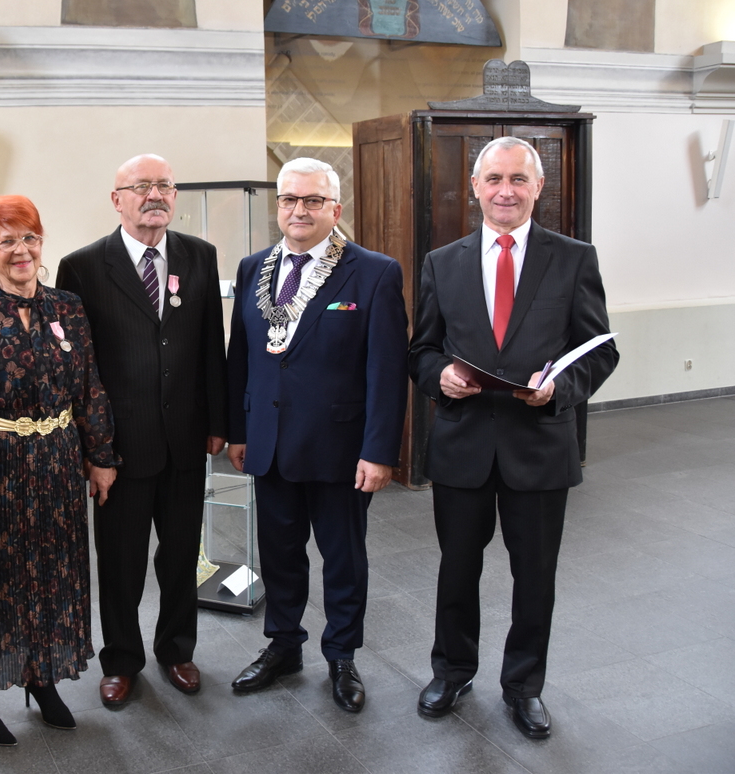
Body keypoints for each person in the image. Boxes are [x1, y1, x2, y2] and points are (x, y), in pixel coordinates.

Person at [409, 137, 619, 739]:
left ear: (538, 187)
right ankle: (452, 670)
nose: (506, 190)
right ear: (475, 187)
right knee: (456, 570)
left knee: (535, 577)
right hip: (462, 446)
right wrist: (440, 375)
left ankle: (524, 686)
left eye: (518, 180)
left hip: (539, 446)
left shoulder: (574, 258)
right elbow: (421, 349)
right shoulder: (441, 262)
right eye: (494, 178)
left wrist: (560, 388)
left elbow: (600, 350)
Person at [226, 157, 408, 712]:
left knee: (343, 559)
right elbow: (243, 357)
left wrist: (379, 451)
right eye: (289, 200)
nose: (298, 210)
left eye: (312, 201)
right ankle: (283, 646)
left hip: (340, 450)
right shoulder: (253, 267)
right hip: (271, 444)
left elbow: (386, 368)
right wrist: (239, 430)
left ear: (336, 209)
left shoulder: (374, 272)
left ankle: (342, 655)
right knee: (280, 555)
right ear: (277, 205)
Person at [0, 195, 118, 745]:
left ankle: (41, 677)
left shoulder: (68, 307)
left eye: (30, 238)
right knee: (1, 581)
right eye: (7, 241)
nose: (21, 251)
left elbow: (89, 385)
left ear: (42, 243)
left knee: (58, 571)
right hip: (1, 468)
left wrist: (102, 456)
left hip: (61, 463)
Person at [55, 153, 227, 706]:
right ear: (117, 199)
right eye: (141, 186)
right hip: (119, 451)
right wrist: (91, 449)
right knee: (122, 561)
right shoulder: (81, 267)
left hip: (184, 441)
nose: (155, 195)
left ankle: (177, 649)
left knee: (180, 556)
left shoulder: (200, 256)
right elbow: (76, 369)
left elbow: (210, 352)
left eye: (164, 186)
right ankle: (122, 659)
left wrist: (218, 423)